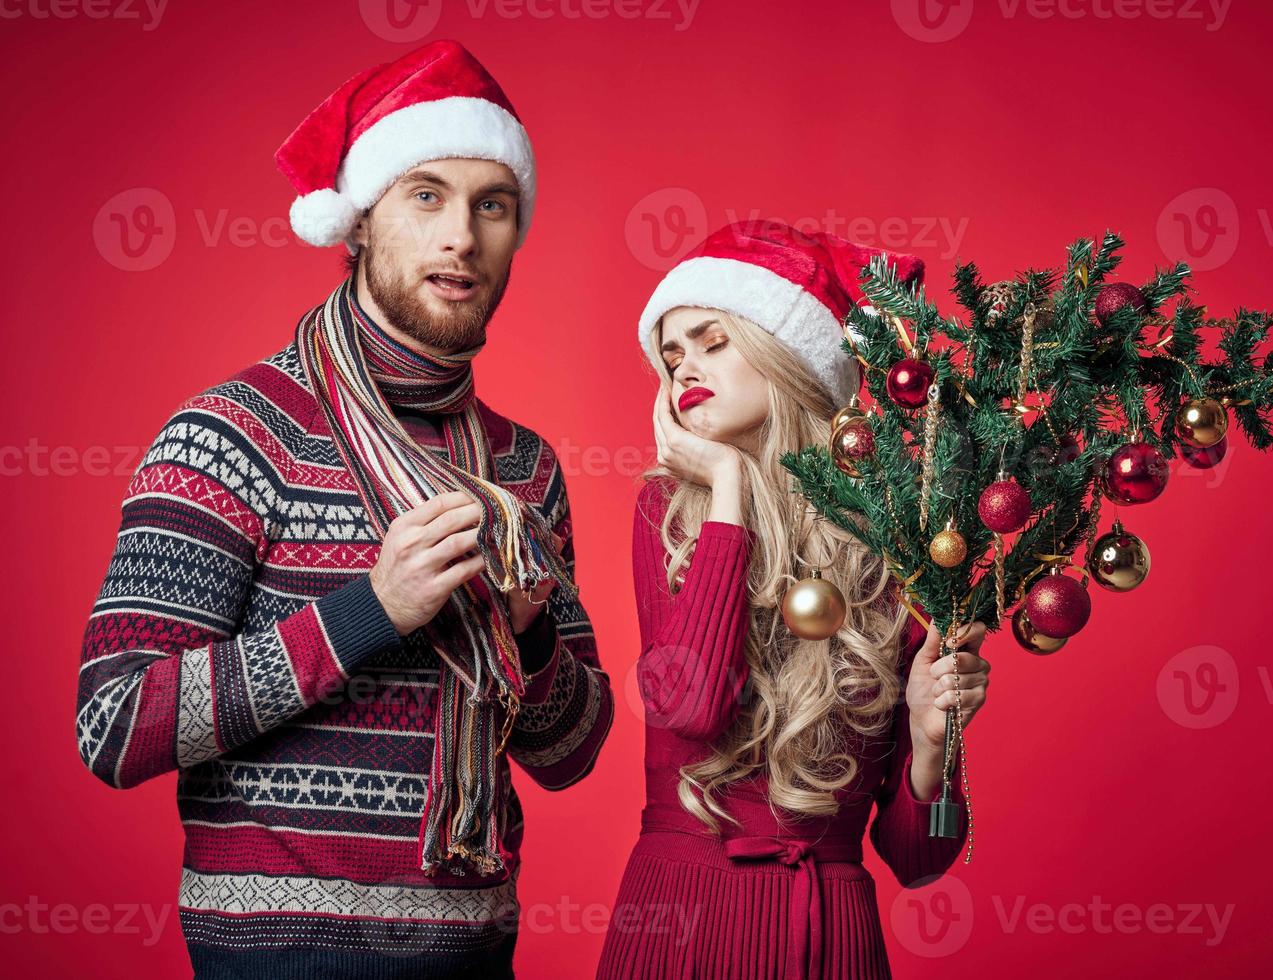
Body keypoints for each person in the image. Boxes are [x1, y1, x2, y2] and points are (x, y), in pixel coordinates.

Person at [76, 40, 613, 979]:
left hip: (476, 948)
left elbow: (573, 754)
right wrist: (373, 610)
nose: (462, 237)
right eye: (427, 196)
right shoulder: (234, 433)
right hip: (278, 955)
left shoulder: (524, 468)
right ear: (359, 224)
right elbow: (115, 725)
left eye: (492, 205)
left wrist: (524, 634)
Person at [596, 221, 990, 979]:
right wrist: (730, 492)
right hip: (680, 924)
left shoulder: (904, 545)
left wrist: (932, 745)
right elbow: (690, 705)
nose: (683, 370)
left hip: (829, 935)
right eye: (671, 355)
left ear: (789, 354)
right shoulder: (670, 515)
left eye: (712, 341)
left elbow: (921, 857)